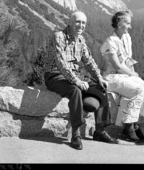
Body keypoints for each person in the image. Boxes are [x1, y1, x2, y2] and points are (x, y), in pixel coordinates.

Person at [42, 10, 119, 150]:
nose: (81, 25)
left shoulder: (80, 40)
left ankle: (100, 131)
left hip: (73, 74)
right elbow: (60, 63)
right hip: (54, 75)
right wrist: (76, 81)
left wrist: (100, 78)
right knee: (75, 90)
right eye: (78, 22)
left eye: (83, 23)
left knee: (100, 87)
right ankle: (76, 133)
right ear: (70, 22)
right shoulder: (59, 37)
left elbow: (89, 62)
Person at [99, 10, 144, 143]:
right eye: (127, 23)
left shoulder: (126, 37)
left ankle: (133, 125)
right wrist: (133, 74)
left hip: (124, 76)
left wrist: (135, 77)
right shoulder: (110, 41)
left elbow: (128, 60)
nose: (130, 26)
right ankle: (129, 128)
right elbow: (117, 66)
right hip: (111, 77)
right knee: (138, 90)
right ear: (119, 24)